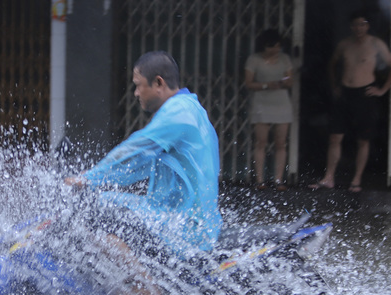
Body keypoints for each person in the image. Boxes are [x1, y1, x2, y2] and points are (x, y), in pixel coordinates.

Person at [65, 51, 222, 261]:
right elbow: (139, 166)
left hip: (185, 227)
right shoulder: (191, 108)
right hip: (180, 217)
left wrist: (89, 178)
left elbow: (136, 152)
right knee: (100, 201)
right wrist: (96, 181)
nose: (136, 93)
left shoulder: (178, 113)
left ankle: (142, 288)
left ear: (158, 83)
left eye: (138, 85)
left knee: (94, 213)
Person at [309, 9, 391, 192]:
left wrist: (382, 90)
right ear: (351, 26)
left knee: (363, 140)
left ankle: (356, 180)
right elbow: (332, 63)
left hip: (364, 94)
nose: (359, 28)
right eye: (356, 25)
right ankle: (329, 177)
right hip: (345, 93)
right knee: (335, 136)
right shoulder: (344, 44)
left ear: (368, 26)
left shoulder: (376, 44)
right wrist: (334, 85)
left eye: (363, 24)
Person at [244, 29, 294, 191]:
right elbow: (249, 83)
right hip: (262, 103)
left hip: (281, 103)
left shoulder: (285, 59)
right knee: (261, 142)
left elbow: (290, 80)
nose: (275, 50)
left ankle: (279, 179)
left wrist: (284, 82)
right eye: (271, 47)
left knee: (281, 142)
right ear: (264, 46)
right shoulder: (254, 60)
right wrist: (266, 85)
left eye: (278, 47)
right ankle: (260, 180)